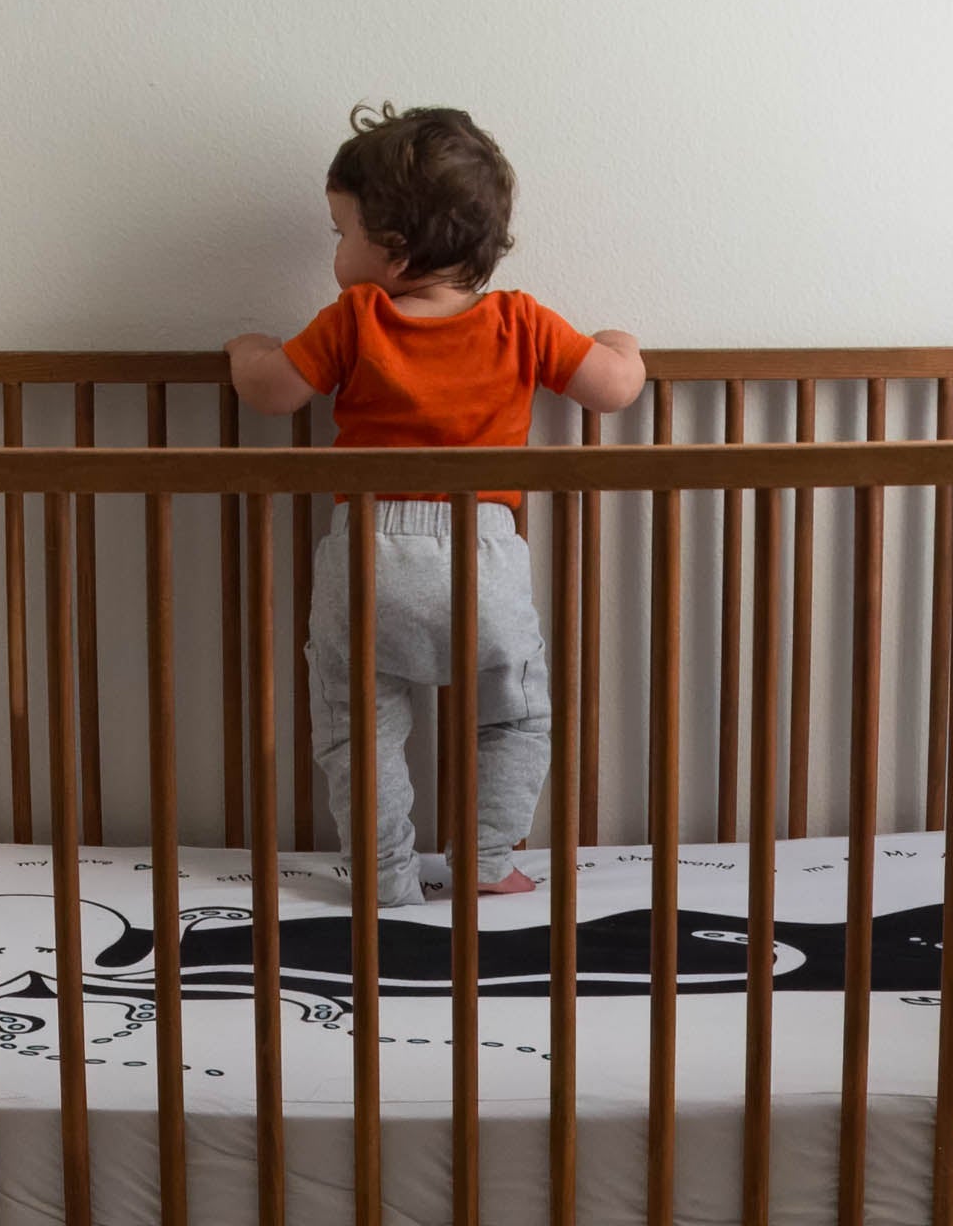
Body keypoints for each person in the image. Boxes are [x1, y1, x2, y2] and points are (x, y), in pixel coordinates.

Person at [226, 102, 644, 906]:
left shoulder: (357, 318)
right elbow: (615, 388)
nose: (335, 252)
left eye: (339, 232)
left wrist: (246, 350)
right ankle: (487, 861)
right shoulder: (521, 322)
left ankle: (384, 875)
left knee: (359, 731)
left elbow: (272, 393)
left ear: (394, 249)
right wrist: (621, 344)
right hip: (483, 559)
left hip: (367, 556)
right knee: (515, 718)